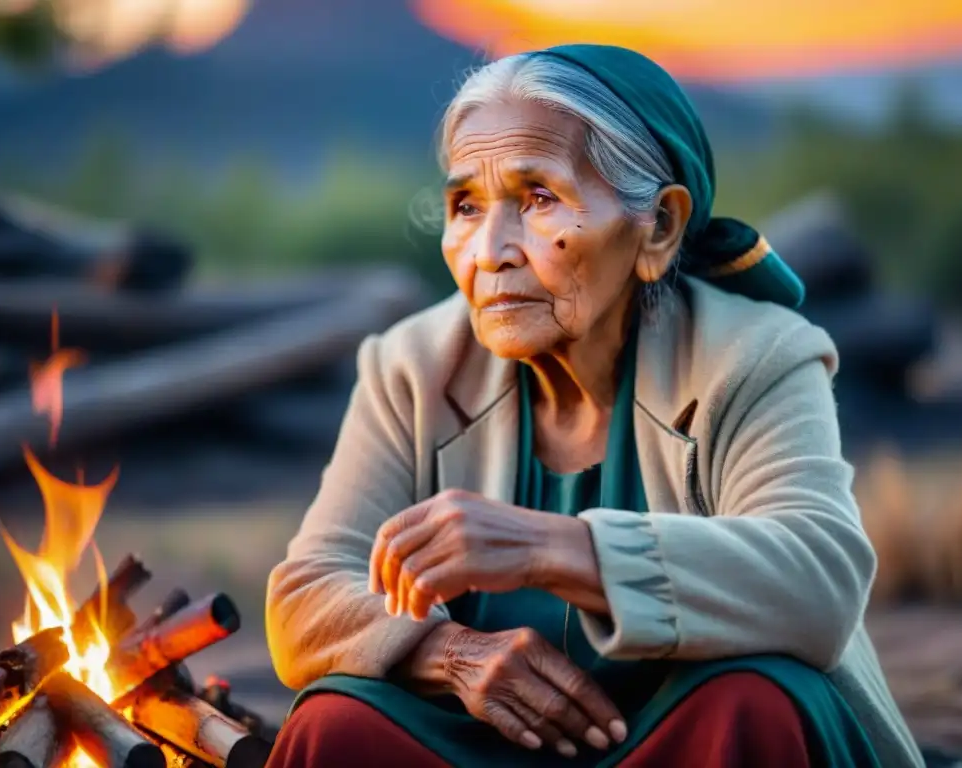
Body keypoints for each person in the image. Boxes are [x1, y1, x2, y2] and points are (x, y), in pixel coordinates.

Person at [264, 44, 923, 767]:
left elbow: (818, 580)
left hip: (679, 739)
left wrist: (547, 547)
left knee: (752, 699)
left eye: (540, 198)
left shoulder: (755, 354)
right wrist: (448, 654)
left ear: (660, 229)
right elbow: (306, 595)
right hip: (494, 745)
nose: (489, 251)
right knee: (336, 723)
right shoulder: (411, 365)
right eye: (466, 205)